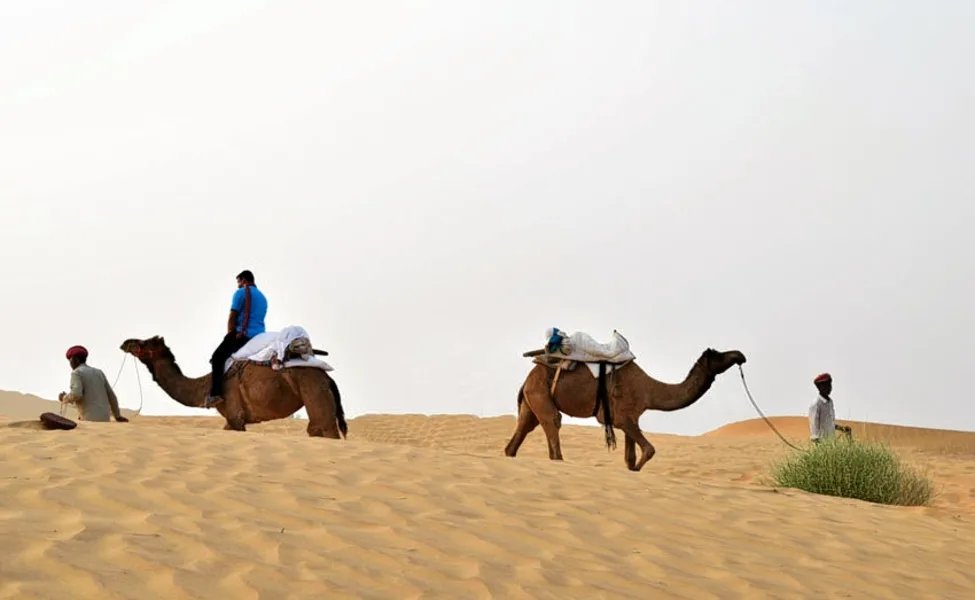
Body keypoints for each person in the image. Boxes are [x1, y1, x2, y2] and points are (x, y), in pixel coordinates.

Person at [205, 269, 268, 407]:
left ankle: (215, 394)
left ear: (244, 280)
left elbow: (232, 316)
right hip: (259, 337)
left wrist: (229, 334)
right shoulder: (263, 298)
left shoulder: (240, 293)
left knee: (217, 358)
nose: (238, 285)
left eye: (238, 282)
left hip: (243, 335)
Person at [58, 345, 128, 422]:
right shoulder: (99, 372)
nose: (70, 364)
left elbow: (77, 394)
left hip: (89, 420)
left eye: (70, 360)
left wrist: (64, 397)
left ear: (76, 359)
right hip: (105, 419)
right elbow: (111, 396)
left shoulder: (76, 373)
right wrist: (117, 416)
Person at [809, 372, 852, 442]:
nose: (829, 388)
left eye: (829, 385)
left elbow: (829, 423)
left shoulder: (830, 403)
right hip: (822, 444)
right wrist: (818, 444)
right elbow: (814, 427)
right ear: (820, 387)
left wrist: (842, 428)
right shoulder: (816, 404)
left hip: (832, 443)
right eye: (826, 386)